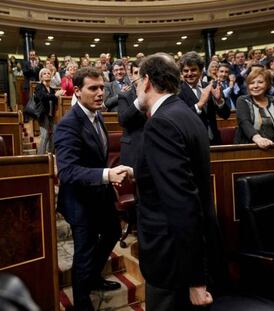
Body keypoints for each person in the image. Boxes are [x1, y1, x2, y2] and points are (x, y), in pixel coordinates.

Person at [132, 53, 226, 310]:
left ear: (148, 80)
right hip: (188, 252)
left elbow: (181, 202)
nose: (137, 88)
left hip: (172, 260)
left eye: (138, 81)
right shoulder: (186, 113)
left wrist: (195, 278)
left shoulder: (160, 123)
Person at [54, 67, 132, 310]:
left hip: (100, 195)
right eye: (93, 88)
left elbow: (97, 157)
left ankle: (94, 278)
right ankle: (82, 301)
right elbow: (66, 171)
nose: (101, 93)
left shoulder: (97, 115)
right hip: (79, 201)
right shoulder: (68, 124)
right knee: (84, 254)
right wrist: (107, 174)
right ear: (77, 91)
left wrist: (108, 177)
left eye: (102, 88)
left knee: (111, 234)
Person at [178, 51, 230, 145]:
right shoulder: (177, 92)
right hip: (193, 143)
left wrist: (219, 101)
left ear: (201, 71)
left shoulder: (209, 87)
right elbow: (181, 120)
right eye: (186, 71)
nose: (189, 74)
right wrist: (199, 105)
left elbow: (225, 115)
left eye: (193, 70)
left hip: (214, 140)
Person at [35, 68, 65, 154]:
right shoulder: (39, 87)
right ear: (41, 77)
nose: (47, 74)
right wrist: (55, 95)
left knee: (53, 135)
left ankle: (50, 154)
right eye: (45, 73)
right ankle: (40, 157)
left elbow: (54, 99)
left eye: (49, 73)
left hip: (51, 114)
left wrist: (60, 95)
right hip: (43, 114)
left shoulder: (51, 89)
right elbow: (43, 97)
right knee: (44, 136)